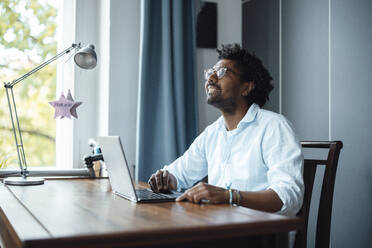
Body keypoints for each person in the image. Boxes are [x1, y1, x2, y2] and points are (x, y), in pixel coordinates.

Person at [148, 43, 304, 216]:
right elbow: (180, 173)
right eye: (210, 73)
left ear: (246, 87)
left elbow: (289, 197)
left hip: (262, 235)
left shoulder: (274, 127)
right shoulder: (212, 133)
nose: (211, 78)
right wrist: (166, 178)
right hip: (218, 226)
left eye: (222, 72)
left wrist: (230, 196)